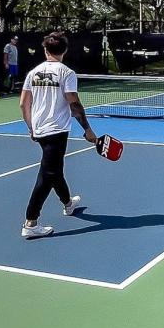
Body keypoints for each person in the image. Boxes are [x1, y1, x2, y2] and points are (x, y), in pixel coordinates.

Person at [19, 32, 98, 239]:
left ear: (45, 50)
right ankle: (31, 222)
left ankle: (68, 204)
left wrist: (31, 128)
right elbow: (73, 102)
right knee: (47, 176)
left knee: (54, 169)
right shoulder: (67, 73)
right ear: (65, 50)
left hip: (40, 130)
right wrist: (87, 129)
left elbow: (23, 103)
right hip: (57, 131)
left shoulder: (33, 72)